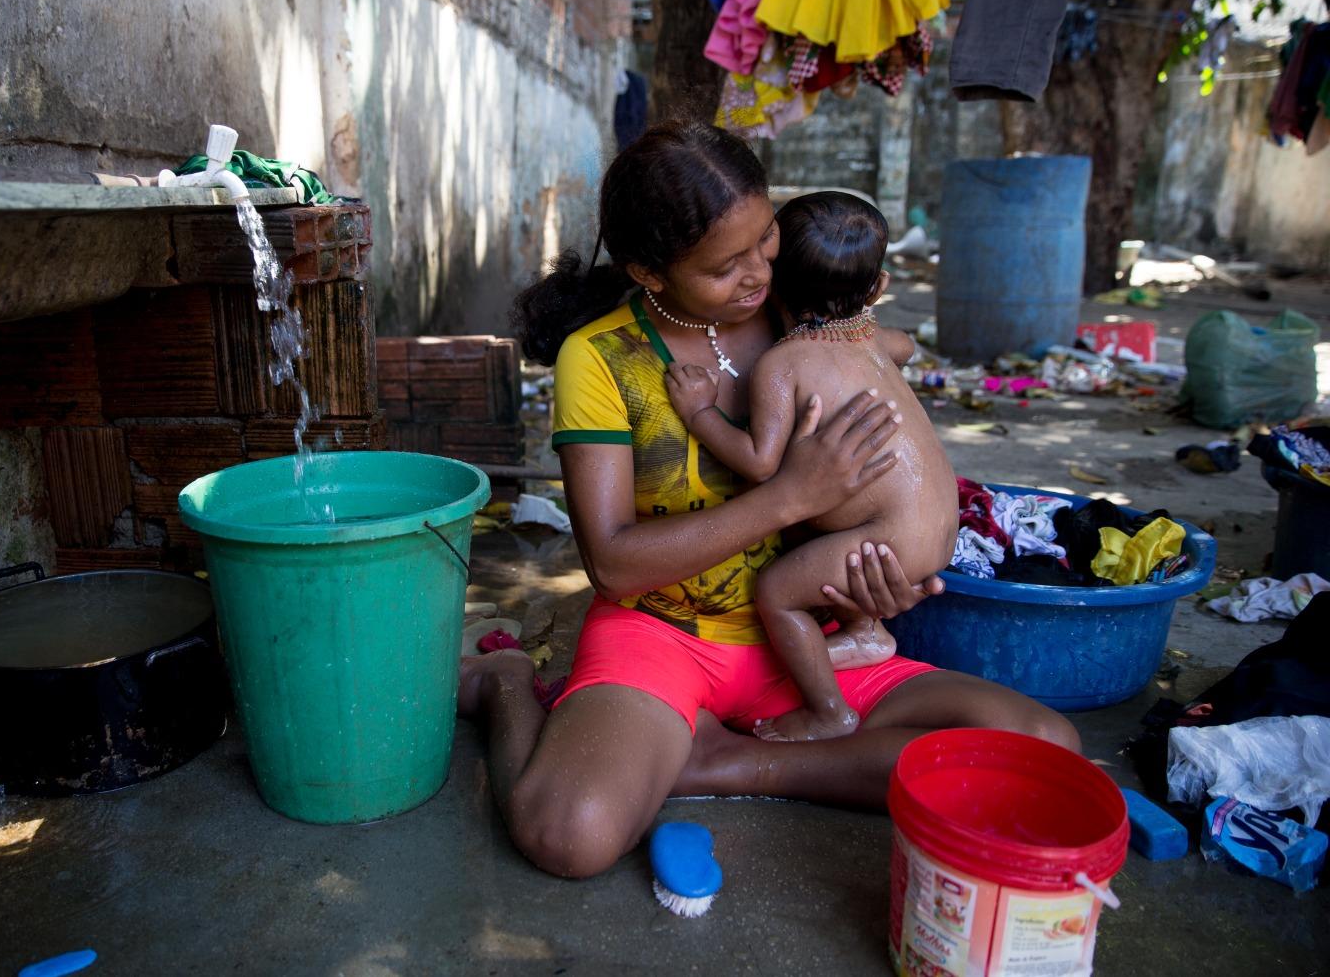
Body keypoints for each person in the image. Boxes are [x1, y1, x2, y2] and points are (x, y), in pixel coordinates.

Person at [459, 121, 1077, 881]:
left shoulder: (803, 312)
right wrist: (789, 498)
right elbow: (614, 564)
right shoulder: (603, 358)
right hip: (663, 634)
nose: (757, 276)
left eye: (766, 244)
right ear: (649, 272)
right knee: (568, 836)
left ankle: (723, 762)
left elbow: (885, 426)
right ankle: (507, 686)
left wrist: (877, 576)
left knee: (1041, 749)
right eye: (726, 266)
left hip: (806, 645)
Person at [663, 192, 956, 744]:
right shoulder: (879, 339)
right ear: (878, 288)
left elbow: (759, 462)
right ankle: (865, 633)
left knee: (776, 591)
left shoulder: (781, 364)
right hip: (940, 529)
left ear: (769, 282)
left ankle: (829, 713)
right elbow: (908, 344)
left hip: (888, 545)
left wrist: (701, 412)